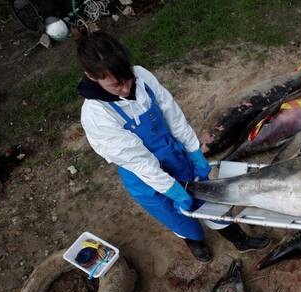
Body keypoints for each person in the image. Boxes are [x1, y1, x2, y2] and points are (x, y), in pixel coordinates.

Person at [77, 31, 269, 262]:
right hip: (143, 175)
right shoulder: (97, 115)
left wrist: (193, 150)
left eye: (127, 78)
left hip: (174, 155)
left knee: (209, 199)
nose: (126, 88)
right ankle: (194, 241)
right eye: (116, 85)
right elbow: (140, 162)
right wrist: (172, 189)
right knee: (175, 213)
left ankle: (238, 239)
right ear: (91, 76)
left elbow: (173, 116)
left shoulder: (142, 76)